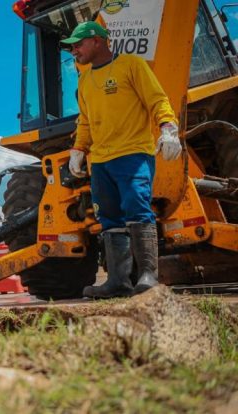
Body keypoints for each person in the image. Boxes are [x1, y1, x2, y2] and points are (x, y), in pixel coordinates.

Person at [61, 22, 181, 299]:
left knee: (137, 209)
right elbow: (85, 121)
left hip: (133, 153)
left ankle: (148, 276)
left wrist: (167, 127)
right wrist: (78, 149)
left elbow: (157, 100)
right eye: (72, 46)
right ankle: (118, 281)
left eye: (78, 44)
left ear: (97, 40)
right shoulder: (85, 80)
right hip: (101, 161)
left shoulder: (131, 65)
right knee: (109, 218)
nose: (74, 50)